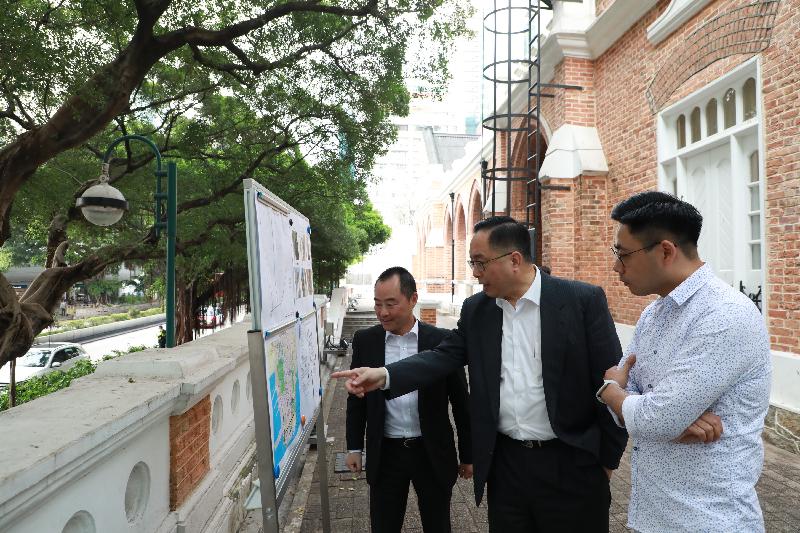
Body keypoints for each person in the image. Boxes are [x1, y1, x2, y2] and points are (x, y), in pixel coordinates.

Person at [333, 216, 628, 532]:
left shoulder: (581, 301)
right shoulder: (478, 310)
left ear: (514, 260)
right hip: (507, 466)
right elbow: (443, 355)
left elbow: (614, 379)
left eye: (480, 263)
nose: (474, 274)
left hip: (571, 463)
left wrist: (607, 462)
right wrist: (386, 375)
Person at [598, 191, 771, 532]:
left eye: (623, 255)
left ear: (665, 251)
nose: (616, 267)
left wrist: (609, 392)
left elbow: (652, 414)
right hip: (653, 513)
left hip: (709, 519)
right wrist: (657, 416)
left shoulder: (724, 314)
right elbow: (649, 412)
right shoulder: (653, 314)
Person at [345, 267, 472, 533]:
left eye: (391, 304)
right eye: (378, 304)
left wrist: (468, 455)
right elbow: (356, 400)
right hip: (386, 452)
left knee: (438, 524)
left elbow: (461, 402)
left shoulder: (442, 342)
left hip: (431, 451)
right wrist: (354, 447)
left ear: (413, 299)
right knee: (384, 524)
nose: (383, 312)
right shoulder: (366, 340)